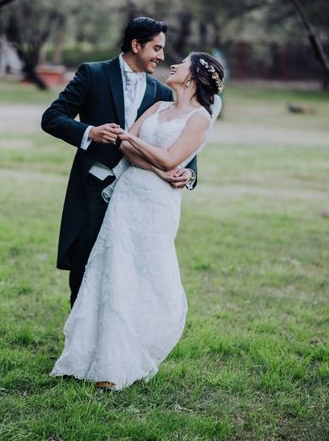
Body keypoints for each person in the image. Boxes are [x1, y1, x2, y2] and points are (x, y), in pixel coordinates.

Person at [50, 52, 224, 390]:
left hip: (157, 203)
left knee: (146, 274)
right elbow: (128, 146)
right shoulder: (159, 106)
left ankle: (130, 356)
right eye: (158, 48)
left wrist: (178, 169)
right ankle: (93, 358)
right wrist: (158, 165)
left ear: (191, 77)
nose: (170, 62)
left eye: (182, 62)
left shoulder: (199, 116)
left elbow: (177, 156)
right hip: (126, 195)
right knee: (112, 271)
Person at [41, 17, 198, 308]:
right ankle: (79, 332)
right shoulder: (93, 74)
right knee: (85, 263)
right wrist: (90, 132)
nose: (162, 56)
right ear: (136, 45)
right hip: (94, 188)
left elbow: (182, 140)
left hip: (140, 196)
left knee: (128, 270)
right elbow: (51, 118)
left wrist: (190, 172)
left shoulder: (161, 93)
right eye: (156, 48)